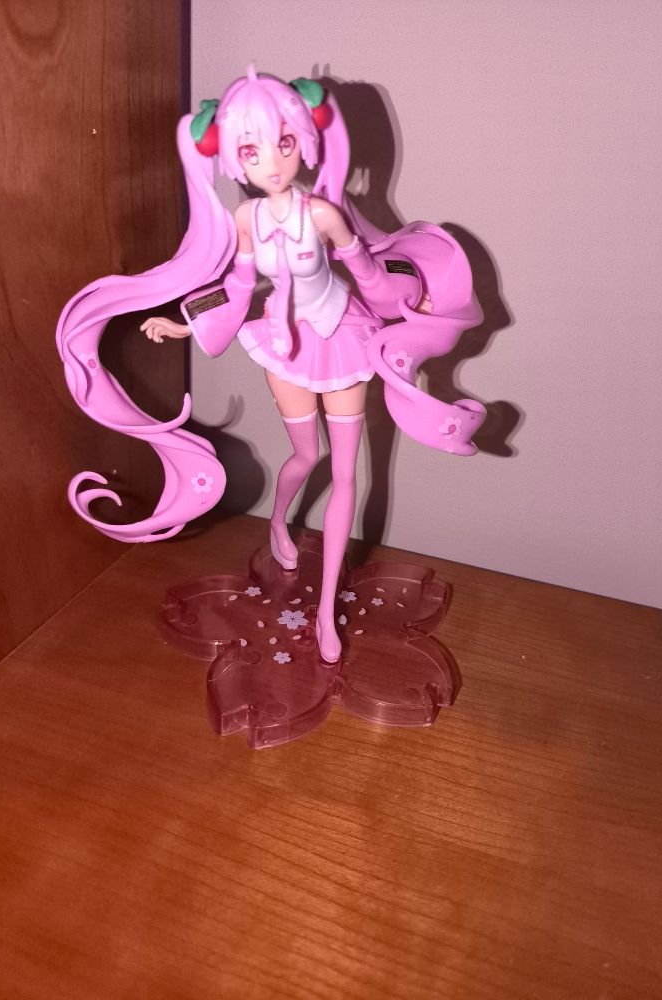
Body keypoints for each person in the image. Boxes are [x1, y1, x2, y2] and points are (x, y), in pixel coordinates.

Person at [57, 67, 486, 665]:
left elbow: (367, 275)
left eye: (283, 143)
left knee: (346, 474)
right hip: (284, 345)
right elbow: (238, 287)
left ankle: (326, 609)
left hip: (343, 339)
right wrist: (188, 322)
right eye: (251, 150)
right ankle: (279, 523)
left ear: (304, 141)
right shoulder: (245, 221)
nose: (273, 163)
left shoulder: (325, 215)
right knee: (304, 457)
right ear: (233, 159)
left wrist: (411, 299)